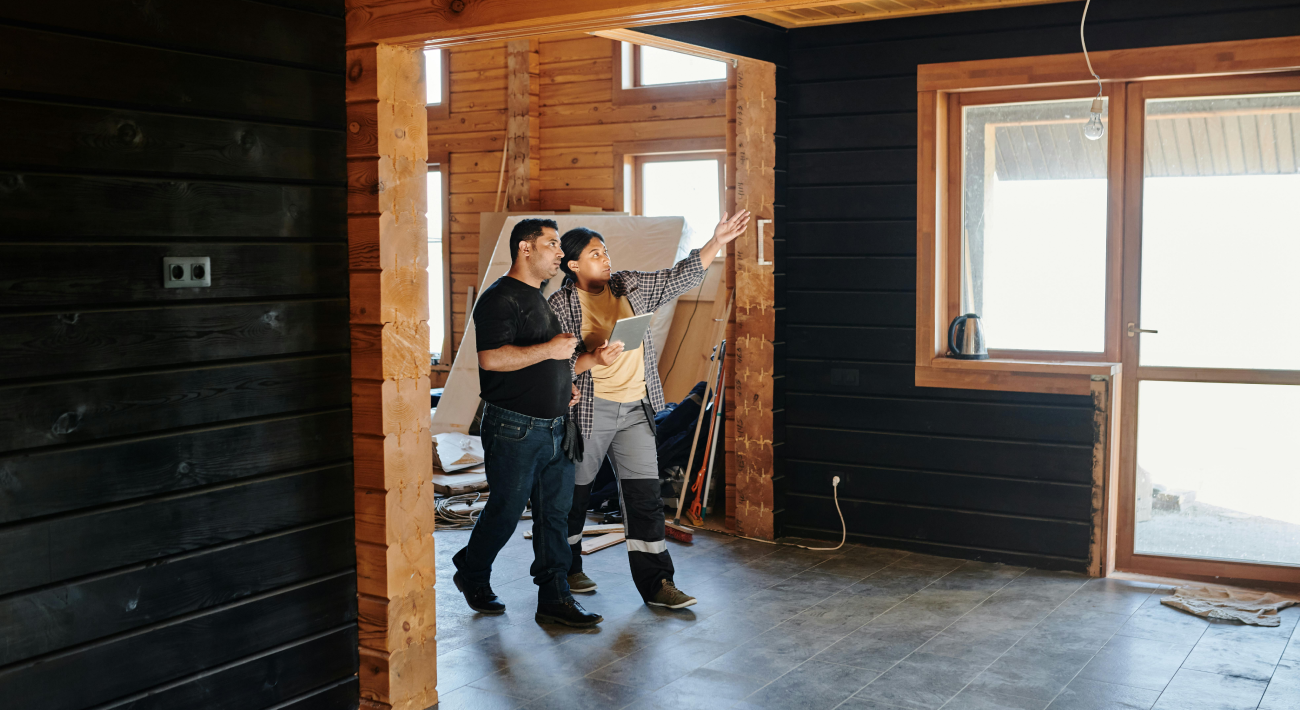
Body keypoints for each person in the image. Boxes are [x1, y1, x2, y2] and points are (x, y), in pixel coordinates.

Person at [549, 210, 751, 609]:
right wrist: (593, 357)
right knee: (575, 495)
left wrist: (717, 241)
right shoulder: (561, 305)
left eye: (605, 251)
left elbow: (680, 276)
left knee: (643, 498)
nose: (605, 259)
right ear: (572, 265)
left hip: (636, 409)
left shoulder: (630, 285)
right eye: (594, 254)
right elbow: (553, 364)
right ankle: (566, 567)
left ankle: (658, 584)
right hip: (590, 411)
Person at [451, 218, 603, 628]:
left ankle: (554, 598)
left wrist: (563, 387)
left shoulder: (539, 297)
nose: (559, 252)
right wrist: (552, 350)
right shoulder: (500, 299)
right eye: (552, 244)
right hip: (515, 428)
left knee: (554, 515)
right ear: (525, 248)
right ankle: (472, 570)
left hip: (556, 426)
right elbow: (492, 359)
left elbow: (543, 362)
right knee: (505, 511)